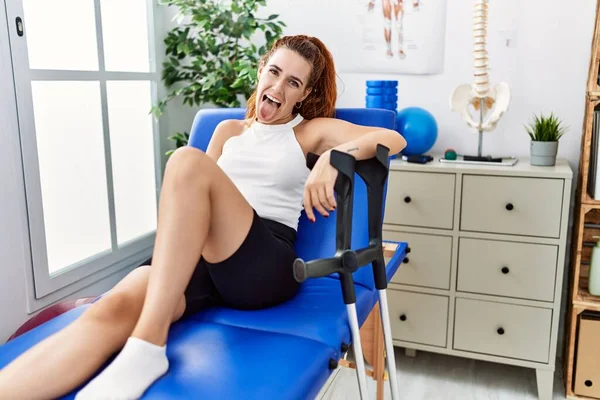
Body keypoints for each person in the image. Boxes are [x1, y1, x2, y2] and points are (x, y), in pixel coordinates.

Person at [0, 34, 406, 400]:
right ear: (261, 69)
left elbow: (393, 138)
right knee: (112, 308)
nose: (278, 88)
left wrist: (335, 158)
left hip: (262, 263)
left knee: (186, 162)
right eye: (275, 72)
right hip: (200, 260)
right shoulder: (228, 130)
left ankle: (147, 346)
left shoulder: (309, 132)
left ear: (304, 94)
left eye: (293, 83)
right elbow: (190, 203)